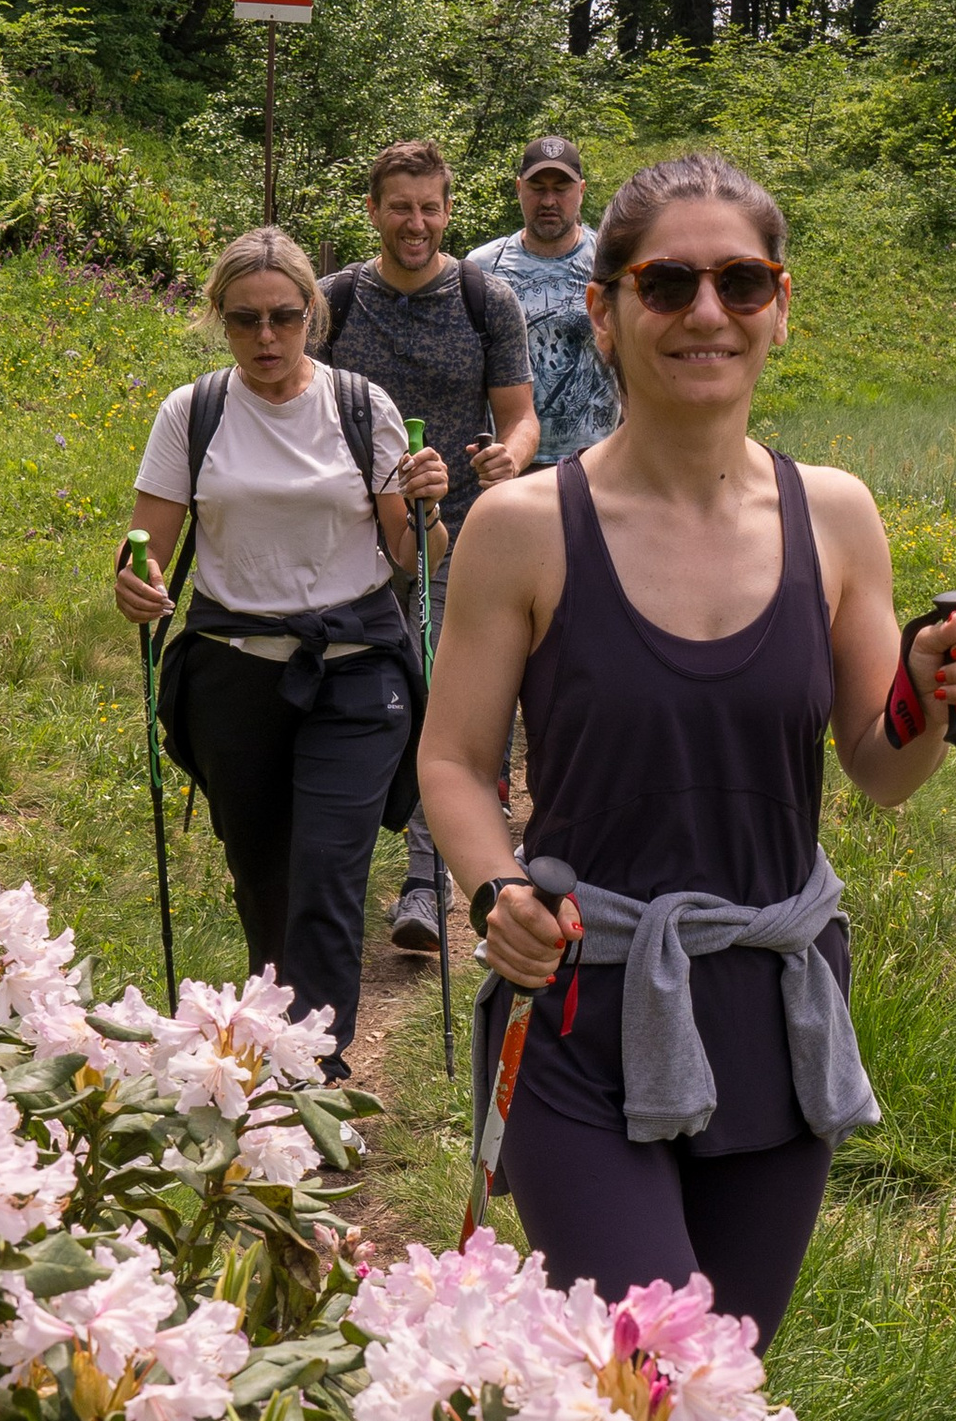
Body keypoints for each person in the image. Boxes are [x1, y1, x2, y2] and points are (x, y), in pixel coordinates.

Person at [417, 149, 956, 1347]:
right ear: (604, 308)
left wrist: (935, 694)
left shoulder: (831, 514)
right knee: (655, 1387)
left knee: (722, 1389)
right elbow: (450, 762)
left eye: (742, 283)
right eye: (666, 283)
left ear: (780, 309)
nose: (704, 313)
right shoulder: (523, 529)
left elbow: (879, 765)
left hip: (776, 1009)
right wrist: (495, 890)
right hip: (581, 1004)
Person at [116, 227, 448, 1074]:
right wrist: (135, 585)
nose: (266, 337)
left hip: (356, 666)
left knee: (328, 875)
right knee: (263, 876)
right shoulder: (193, 412)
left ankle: (317, 1074)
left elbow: (412, 557)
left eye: (284, 317)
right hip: (234, 671)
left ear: (314, 313)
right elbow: (144, 545)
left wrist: (428, 509)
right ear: (220, 321)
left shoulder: (360, 406)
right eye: (243, 320)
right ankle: (274, 1040)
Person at [314, 141, 535, 956]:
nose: (416, 223)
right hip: (351, 538)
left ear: (449, 211)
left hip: (468, 535)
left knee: (448, 696)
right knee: (377, 696)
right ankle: (335, 866)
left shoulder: (486, 300)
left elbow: (519, 414)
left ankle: (424, 880)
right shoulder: (332, 303)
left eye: (430, 208)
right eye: (400, 207)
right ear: (372, 210)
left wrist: (511, 455)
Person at [465, 133, 621, 471]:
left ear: (580, 191)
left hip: (598, 460)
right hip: (509, 464)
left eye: (561, 188)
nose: (549, 200)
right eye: (538, 188)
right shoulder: (482, 268)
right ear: (519, 188)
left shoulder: (608, 263)